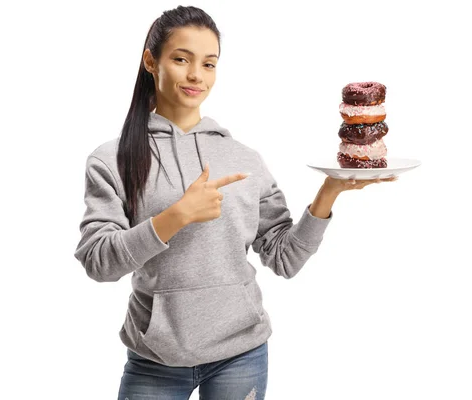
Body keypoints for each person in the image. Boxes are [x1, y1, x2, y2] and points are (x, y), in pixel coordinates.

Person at [73, 5, 396, 400]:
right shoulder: (113, 158)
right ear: (150, 61)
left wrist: (328, 192)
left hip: (241, 353)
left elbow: (285, 259)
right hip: (154, 358)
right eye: (181, 59)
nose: (196, 75)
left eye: (209, 64)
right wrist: (175, 217)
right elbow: (98, 262)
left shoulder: (244, 158)